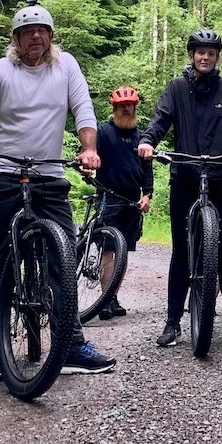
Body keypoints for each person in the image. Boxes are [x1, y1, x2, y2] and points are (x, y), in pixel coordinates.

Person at [0, 2, 116, 380]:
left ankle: (70, 344)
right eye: (27, 32)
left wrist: (89, 149)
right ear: (16, 39)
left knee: (63, 257)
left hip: (49, 175)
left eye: (42, 30)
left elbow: (83, 110)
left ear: (51, 36)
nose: (35, 37)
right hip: (4, 174)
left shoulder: (66, 66)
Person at [137, 29, 222, 349]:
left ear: (217, 57)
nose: (205, 56)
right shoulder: (176, 88)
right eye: (200, 52)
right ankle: (172, 323)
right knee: (181, 252)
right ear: (191, 55)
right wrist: (147, 140)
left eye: (211, 52)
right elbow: (160, 119)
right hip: (185, 175)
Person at [94, 85, 153, 319]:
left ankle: (113, 298)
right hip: (108, 197)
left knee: (124, 250)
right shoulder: (103, 132)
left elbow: (148, 169)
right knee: (109, 249)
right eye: (122, 106)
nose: (126, 109)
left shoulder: (141, 137)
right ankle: (105, 300)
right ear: (115, 108)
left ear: (135, 107)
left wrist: (147, 194)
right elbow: (90, 156)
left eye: (130, 105)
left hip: (132, 200)